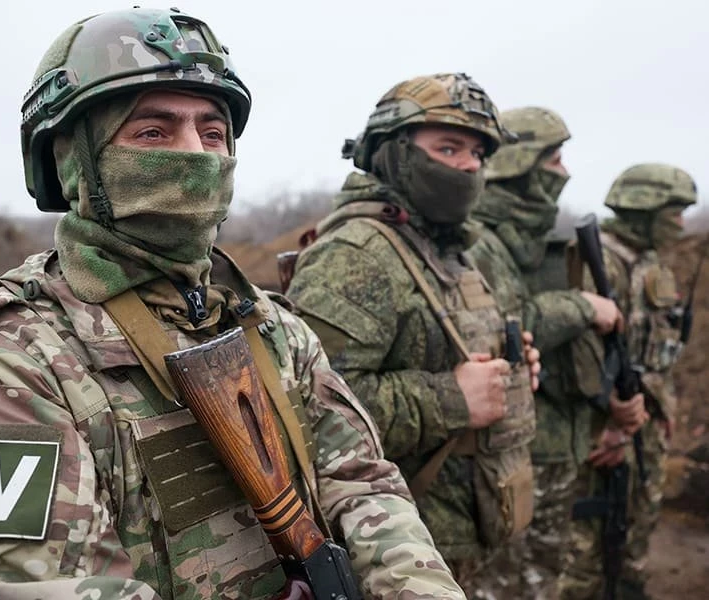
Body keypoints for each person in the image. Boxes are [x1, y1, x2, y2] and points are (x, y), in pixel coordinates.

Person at [0, 8, 465, 599]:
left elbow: (363, 483)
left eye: (213, 133)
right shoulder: (11, 356)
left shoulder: (271, 326)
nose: (197, 154)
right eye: (154, 132)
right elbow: (34, 584)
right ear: (72, 161)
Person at [286, 73, 542, 586]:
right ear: (394, 153)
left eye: (478, 153)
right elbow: (306, 413)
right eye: (449, 148)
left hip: (473, 529)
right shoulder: (356, 255)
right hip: (405, 557)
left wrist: (509, 369)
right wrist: (454, 397)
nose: (470, 165)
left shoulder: (449, 249)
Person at [464, 106, 626, 598]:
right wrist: (581, 306)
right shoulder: (478, 240)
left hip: (554, 441)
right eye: (554, 159)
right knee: (501, 581)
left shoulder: (533, 238)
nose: (565, 171)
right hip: (512, 450)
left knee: (542, 575)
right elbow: (503, 331)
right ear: (521, 164)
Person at [559, 163, 697, 600]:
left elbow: (652, 348)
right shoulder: (601, 260)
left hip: (644, 419)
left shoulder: (650, 261)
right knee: (590, 542)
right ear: (644, 209)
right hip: (608, 425)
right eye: (674, 213)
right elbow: (581, 356)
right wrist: (608, 424)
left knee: (639, 521)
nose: (681, 224)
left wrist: (662, 410)